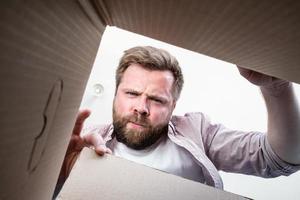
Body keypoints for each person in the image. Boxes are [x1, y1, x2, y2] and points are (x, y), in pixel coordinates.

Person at [54, 46, 300, 196]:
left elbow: (278, 159)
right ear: (116, 93)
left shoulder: (198, 132)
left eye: (157, 100)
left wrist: (277, 87)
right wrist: (55, 172)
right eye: (131, 93)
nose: (141, 107)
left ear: (174, 106)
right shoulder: (83, 145)